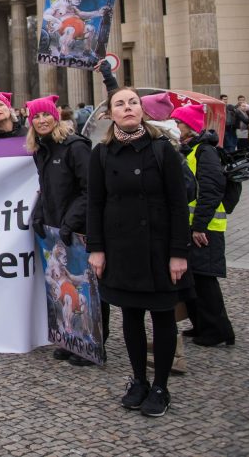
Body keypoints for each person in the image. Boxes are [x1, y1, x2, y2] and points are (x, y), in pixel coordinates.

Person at [87, 87, 192, 417]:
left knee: (162, 317)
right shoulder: (101, 154)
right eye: (120, 104)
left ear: (142, 111)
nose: (128, 107)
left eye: (133, 102)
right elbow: (96, 204)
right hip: (120, 246)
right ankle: (138, 381)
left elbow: (178, 203)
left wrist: (179, 252)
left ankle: (160, 386)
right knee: (130, 316)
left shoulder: (162, 149)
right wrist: (97, 250)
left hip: (158, 247)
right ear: (110, 114)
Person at [26, 96, 102, 367]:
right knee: (63, 286)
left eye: (45, 115)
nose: (41, 120)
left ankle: (90, 343)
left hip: (78, 227)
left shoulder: (75, 147)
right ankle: (71, 339)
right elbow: (46, 189)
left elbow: (89, 189)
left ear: (55, 117)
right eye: (36, 117)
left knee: (84, 287)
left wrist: (71, 222)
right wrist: (39, 215)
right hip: (57, 227)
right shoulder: (42, 150)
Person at [170, 104, 235, 349]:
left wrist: (199, 226)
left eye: (179, 123)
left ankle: (219, 330)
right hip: (192, 225)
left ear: (190, 127)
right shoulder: (190, 149)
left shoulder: (204, 151)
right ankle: (201, 323)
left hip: (205, 227)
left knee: (206, 281)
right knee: (194, 279)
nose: (175, 127)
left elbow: (210, 190)